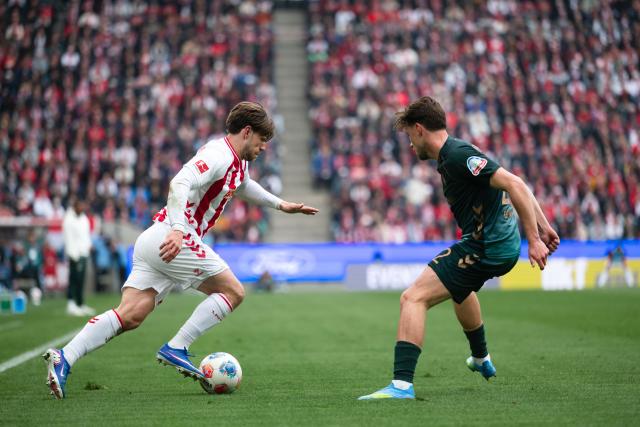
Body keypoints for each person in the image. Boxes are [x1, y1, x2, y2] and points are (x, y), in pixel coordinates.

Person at [44, 102, 319, 399]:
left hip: (157, 239)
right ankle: (178, 346)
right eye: (262, 140)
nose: (264, 147)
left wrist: (281, 205)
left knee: (131, 315)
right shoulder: (218, 154)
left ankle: (64, 358)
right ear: (247, 131)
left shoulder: (239, 162)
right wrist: (178, 229)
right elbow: (180, 182)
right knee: (233, 292)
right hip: (174, 235)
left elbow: (244, 185)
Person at [358, 96, 559, 400]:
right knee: (460, 288)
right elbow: (516, 181)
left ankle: (401, 386)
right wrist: (543, 227)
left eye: (410, 137)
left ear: (419, 128)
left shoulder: (456, 155)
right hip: (490, 244)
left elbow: (514, 185)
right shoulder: (458, 153)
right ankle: (481, 359)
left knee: (413, 297)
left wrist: (534, 237)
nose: (411, 145)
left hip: (487, 245)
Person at [62, 199, 94, 316]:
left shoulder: (83, 218)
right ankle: (71, 303)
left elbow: (86, 235)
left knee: (81, 280)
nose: (82, 208)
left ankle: (80, 303)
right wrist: (72, 254)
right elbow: (68, 238)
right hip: (74, 254)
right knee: (73, 279)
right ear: (75, 206)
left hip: (83, 253)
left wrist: (89, 245)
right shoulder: (69, 219)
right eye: (80, 206)